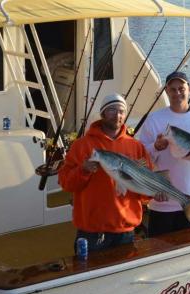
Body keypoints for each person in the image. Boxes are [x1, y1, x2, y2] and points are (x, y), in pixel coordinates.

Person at [58, 93, 152, 253]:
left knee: (124, 278)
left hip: (126, 231)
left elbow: (145, 192)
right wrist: (84, 170)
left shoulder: (136, 146)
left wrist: (154, 193)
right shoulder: (81, 145)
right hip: (91, 232)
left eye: (122, 111)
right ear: (102, 114)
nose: (117, 115)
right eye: (112, 110)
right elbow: (66, 183)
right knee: (88, 276)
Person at [137, 71, 190, 237]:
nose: (177, 93)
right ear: (166, 91)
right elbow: (140, 158)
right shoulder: (154, 119)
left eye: (181, 88)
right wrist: (155, 147)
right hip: (162, 203)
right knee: (160, 253)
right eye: (172, 89)